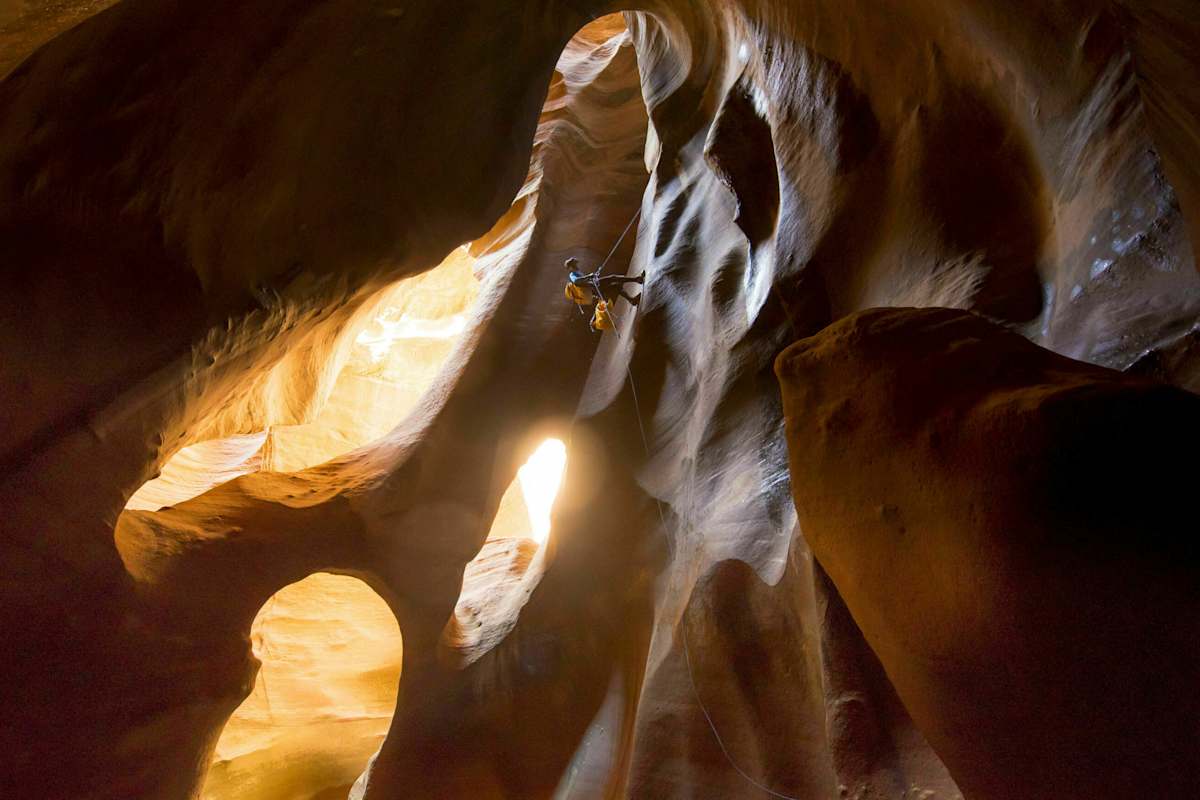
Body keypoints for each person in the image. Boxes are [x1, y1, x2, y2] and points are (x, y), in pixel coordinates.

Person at [565, 257, 644, 307]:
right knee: (613, 278)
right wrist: (589, 276)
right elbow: (576, 281)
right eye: (574, 264)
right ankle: (637, 279)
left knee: (616, 287)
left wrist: (594, 276)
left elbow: (585, 281)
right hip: (595, 289)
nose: (576, 265)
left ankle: (632, 300)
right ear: (571, 267)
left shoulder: (577, 271)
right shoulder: (572, 274)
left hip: (595, 288)